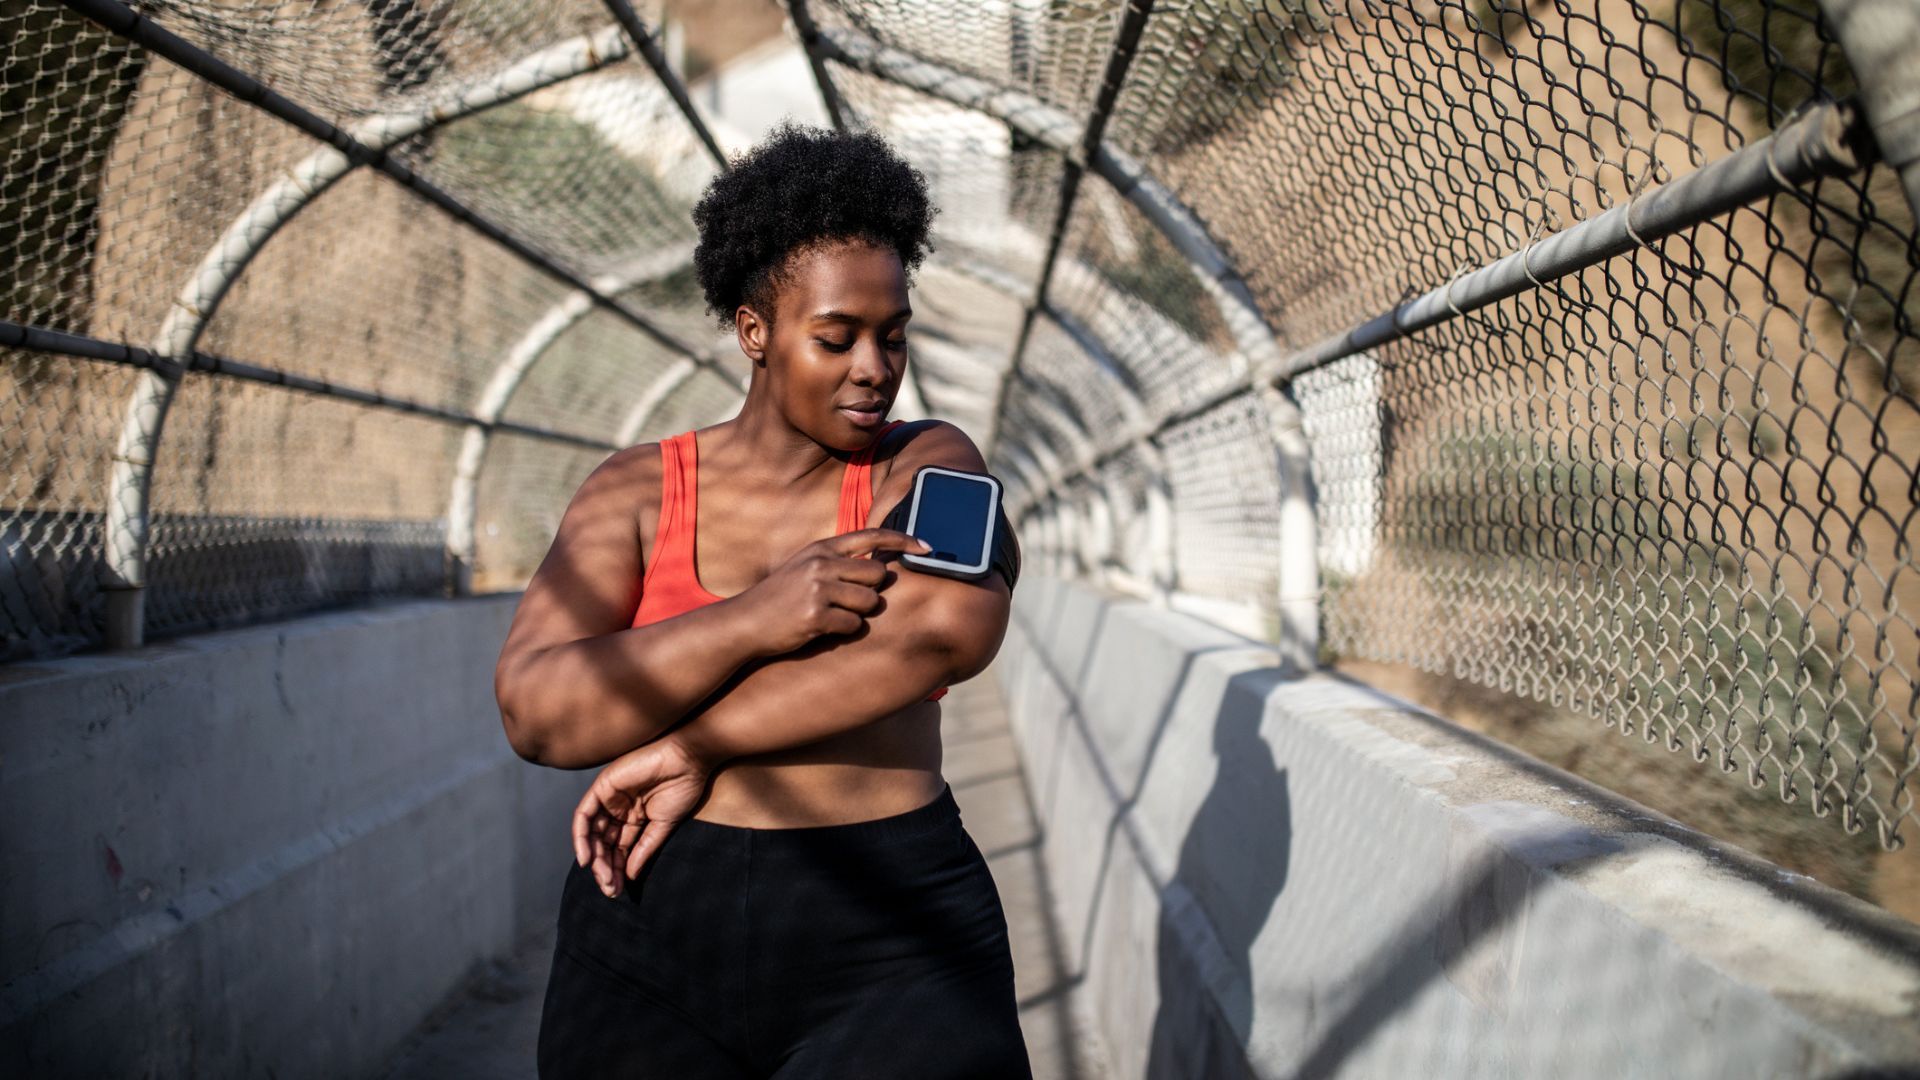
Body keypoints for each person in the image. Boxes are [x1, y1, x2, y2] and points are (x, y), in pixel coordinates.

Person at [492, 121, 1032, 1079]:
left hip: (891, 927)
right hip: (650, 923)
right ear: (754, 331)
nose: (875, 367)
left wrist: (695, 744)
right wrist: (756, 616)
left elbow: (946, 627)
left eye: (892, 336)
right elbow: (538, 710)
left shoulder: (931, 459)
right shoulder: (637, 489)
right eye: (837, 337)